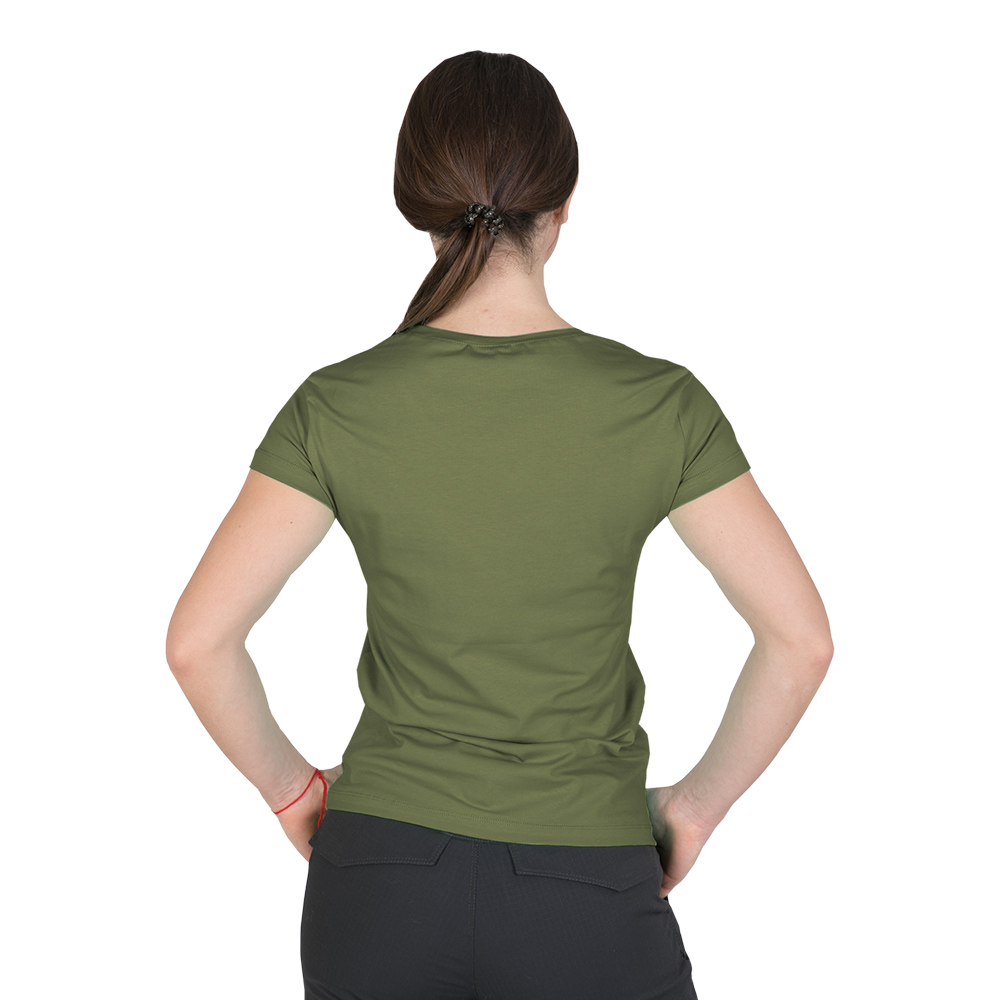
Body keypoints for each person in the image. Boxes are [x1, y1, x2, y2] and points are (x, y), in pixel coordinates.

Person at [166, 50, 833, 1000]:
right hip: (585, 886)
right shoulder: (659, 405)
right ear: (563, 202)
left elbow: (198, 643)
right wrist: (695, 807)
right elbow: (800, 640)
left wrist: (291, 788)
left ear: (418, 206)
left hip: (377, 886)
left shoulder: (338, 404)